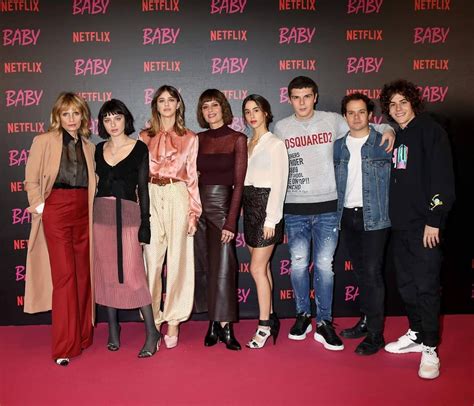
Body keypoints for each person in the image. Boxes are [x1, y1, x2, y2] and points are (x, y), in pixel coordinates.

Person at [273, 76, 394, 351]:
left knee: (325, 268)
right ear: (289, 98)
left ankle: (324, 322)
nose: (302, 102)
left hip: (329, 208)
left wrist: (389, 128)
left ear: (315, 96)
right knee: (299, 265)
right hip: (294, 209)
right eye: (296, 97)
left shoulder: (332, 121)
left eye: (307, 96)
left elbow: (365, 125)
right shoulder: (281, 128)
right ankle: (303, 314)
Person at [380, 79, 455, 379]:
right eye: (392, 104)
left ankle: (430, 348)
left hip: (425, 226)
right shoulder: (399, 134)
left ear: (414, 103)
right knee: (407, 285)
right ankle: (416, 334)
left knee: (426, 287)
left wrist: (434, 219)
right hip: (400, 226)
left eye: (403, 102)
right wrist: (387, 129)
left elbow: (443, 180)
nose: (398, 108)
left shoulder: (430, 131)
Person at [24, 92, 96, 366]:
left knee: (82, 275)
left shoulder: (89, 146)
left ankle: (82, 336)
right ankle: (65, 346)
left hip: (83, 211)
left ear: (82, 116)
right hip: (56, 209)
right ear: (57, 116)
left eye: (76, 113)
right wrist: (41, 207)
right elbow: (31, 180)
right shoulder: (43, 141)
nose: (71, 119)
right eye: (66, 114)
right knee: (65, 277)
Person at [94, 99, 160, 358]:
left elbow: (143, 190)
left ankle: (152, 331)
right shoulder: (97, 150)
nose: (112, 124)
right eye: (107, 119)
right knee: (106, 272)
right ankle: (113, 329)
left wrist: (145, 224)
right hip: (101, 215)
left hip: (129, 215)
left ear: (126, 120)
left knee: (134, 275)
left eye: (117, 118)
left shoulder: (139, 148)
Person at [139, 85, 201, 349]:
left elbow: (193, 176)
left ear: (178, 104)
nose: (166, 104)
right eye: (161, 100)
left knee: (178, 261)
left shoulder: (190, 138)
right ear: (156, 105)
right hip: (151, 195)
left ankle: (174, 320)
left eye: (170, 100)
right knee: (151, 261)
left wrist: (193, 213)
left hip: (178, 195)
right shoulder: (144, 137)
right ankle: (151, 320)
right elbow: (138, 177)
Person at [333, 93, 391, 355]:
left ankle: (377, 334)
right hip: (347, 216)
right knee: (361, 274)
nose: (356, 117)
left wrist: (388, 128)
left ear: (370, 115)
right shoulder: (338, 146)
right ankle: (367, 320)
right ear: (344, 116)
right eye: (350, 113)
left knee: (371, 274)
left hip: (375, 218)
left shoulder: (384, 141)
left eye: (361, 112)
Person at [194, 89, 247, 351]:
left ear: (223, 108)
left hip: (222, 209)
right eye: (205, 107)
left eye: (214, 105)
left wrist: (230, 222)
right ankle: (212, 322)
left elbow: (239, 185)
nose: (210, 110)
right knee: (204, 268)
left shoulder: (237, 139)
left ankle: (227, 327)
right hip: (197, 209)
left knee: (224, 268)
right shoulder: (197, 139)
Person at [241, 94, 288, 349]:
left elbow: (280, 185)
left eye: (256, 110)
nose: (252, 115)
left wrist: (272, 219)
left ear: (266, 113)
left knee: (257, 270)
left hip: (267, 209)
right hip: (249, 208)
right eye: (247, 111)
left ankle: (263, 327)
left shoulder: (275, 144)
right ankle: (271, 317)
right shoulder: (247, 143)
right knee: (264, 268)